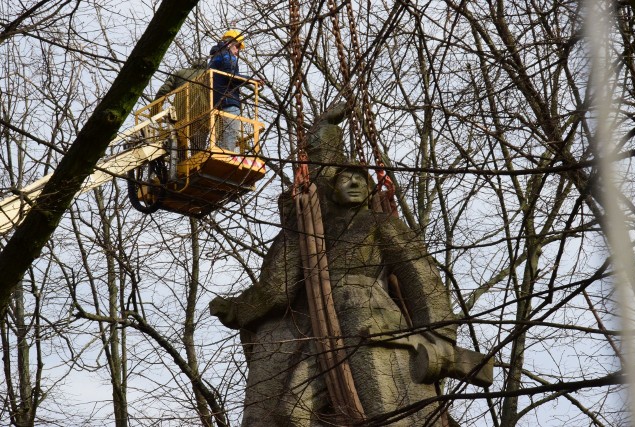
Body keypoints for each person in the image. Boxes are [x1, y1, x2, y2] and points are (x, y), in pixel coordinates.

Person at [210, 108, 461, 426]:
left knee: (386, 407)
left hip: (371, 325)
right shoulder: (311, 229)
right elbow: (277, 288)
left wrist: (439, 335)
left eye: (361, 179)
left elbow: (420, 274)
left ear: (371, 189)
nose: (355, 183)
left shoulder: (377, 223)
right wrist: (324, 134)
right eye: (346, 179)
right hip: (321, 330)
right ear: (332, 188)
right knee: (292, 412)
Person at [208, 29, 260, 152]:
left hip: (214, 103)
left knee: (219, 136)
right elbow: (231, 76)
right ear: (230, 43)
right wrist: (251, 80)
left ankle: (219, 154)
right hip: (228, 100)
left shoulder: (214, 58)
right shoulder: (227, 56)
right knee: (230, 132)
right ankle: (227, 155)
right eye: (237, 47)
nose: (237, 52)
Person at [154, 60, 210, 154]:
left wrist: (155, 109)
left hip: (180, 115)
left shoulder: (180, 73)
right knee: (198, 146)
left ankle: (179, 165)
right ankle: (197, 164)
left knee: (179, 143)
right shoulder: (208, 74)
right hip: (201, 114)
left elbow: (164, 90)